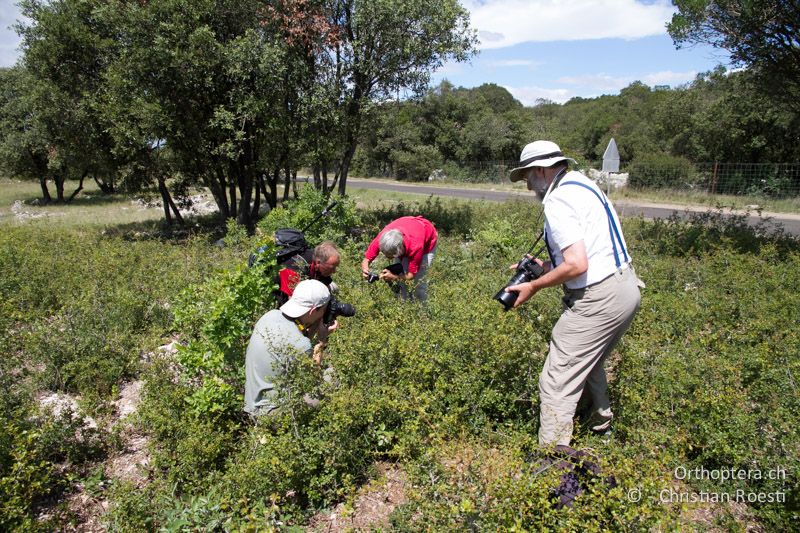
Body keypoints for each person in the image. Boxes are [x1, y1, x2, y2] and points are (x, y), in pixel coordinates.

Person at [504, 140, 644, 447]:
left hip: (598, 297)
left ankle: (552, 465)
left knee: (557, 381)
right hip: (625, 288)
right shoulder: (582, 185)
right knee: (589, 361)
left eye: (527, 176)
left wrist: (533, 286)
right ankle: (600, 428)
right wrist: (542, 268)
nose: (528, 185)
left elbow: (578, 264)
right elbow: (589, 251)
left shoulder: (558, 201)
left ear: (540, 170)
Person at [244, 279, 337, 417]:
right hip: (275, 416)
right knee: (333, 375)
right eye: (323, 309)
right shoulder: (301, 345)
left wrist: (311, 330)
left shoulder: (269, 316)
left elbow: (292, 345)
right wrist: (320, 342)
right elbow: (311, 381)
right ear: (312, 311)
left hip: (252, 405)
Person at [360, 216, 438, 302]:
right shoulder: (384, 238)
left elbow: (411, 275)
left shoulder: (416, 246)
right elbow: (366, 260)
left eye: (389, 255)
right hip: (409, 231)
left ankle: (421, 311)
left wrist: (394, 277)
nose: (386, 257)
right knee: (401, 279)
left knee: (418, 283)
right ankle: (402, 305)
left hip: (427, 242)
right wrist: (365, 270)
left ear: (399, 250)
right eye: (384, 253)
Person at [276, 241, 341, 307]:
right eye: (331, 268)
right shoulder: (293, 270)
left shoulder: (320, 258)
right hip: (281, 291)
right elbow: (293, 302)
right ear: (318, 263)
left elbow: (325, 283)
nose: (334, 271)